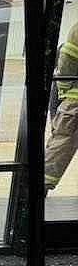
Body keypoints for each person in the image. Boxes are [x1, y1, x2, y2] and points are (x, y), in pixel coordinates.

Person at [45, 31, 78, 193]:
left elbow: (66, 64)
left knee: (61, 142)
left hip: (75, 103)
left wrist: (64, 91)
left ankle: (42, 184)